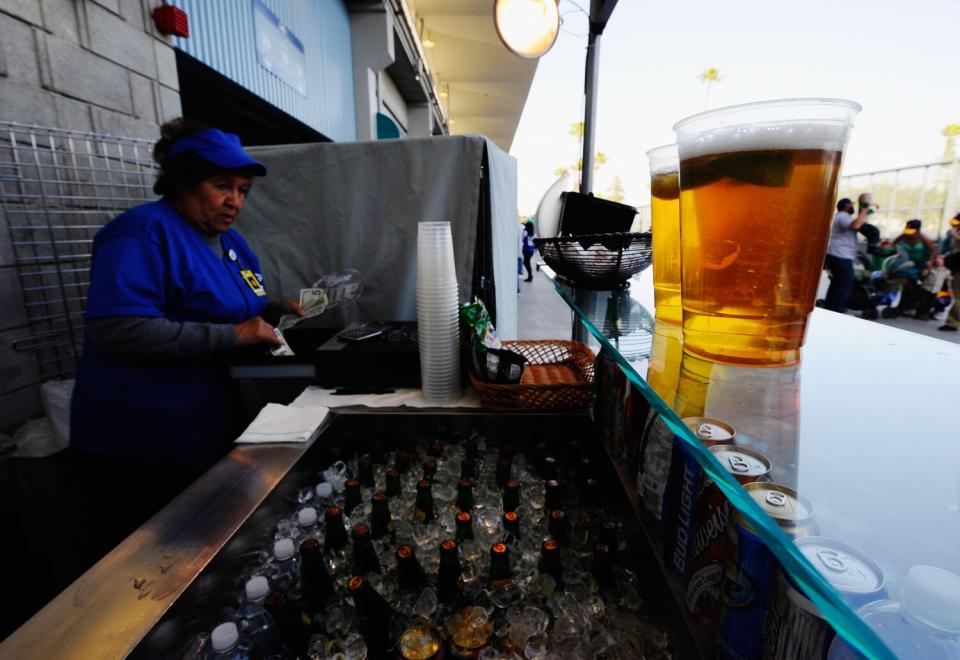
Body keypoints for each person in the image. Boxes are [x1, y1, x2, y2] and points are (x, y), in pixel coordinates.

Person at [68, 119, 302, 561]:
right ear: (183, 183)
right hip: (141, 438)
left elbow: (228, 309)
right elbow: (118, 327)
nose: (235, 201)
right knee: (148, 562)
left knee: (198, 550)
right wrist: (235, 334)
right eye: (222, 186)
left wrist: (273, 311)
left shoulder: (230, 243)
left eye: (243, 190)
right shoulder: (141, 233)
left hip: (204, 423)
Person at [823, 197, 870, 313]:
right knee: (844, 284)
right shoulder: (843, 216)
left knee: (837, 282)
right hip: (841, 256)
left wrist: (864, 213)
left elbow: (860, 223)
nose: (853, 207)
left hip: (837, 254)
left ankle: (830, 306)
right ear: (846, 206)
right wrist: (864, 209)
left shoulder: (841, 216)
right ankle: (837, 309)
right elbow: (856, 226)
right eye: (851, 205)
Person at [938, 212, 960, 332]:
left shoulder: (955, 234)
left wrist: (956, 238)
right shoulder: (953, 232)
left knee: (958, 297)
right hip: (956, 267)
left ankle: (952, 323)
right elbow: (946, 248)